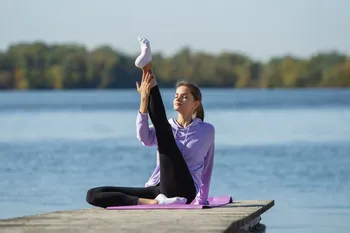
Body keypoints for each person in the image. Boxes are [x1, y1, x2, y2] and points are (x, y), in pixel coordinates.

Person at [86, 36, 215, 208]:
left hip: (186, 190)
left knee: (164, 133)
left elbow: (207, 168)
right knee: (93, 194)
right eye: (176, 96)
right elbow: (145, 138)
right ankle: (153, 202)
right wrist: (144, 100)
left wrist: (203, 199)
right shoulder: (168, 126)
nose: (178, 99)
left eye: (185, 97)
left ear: (196, 104)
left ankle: (147, 67)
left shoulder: (206, 131)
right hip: (160, 189)